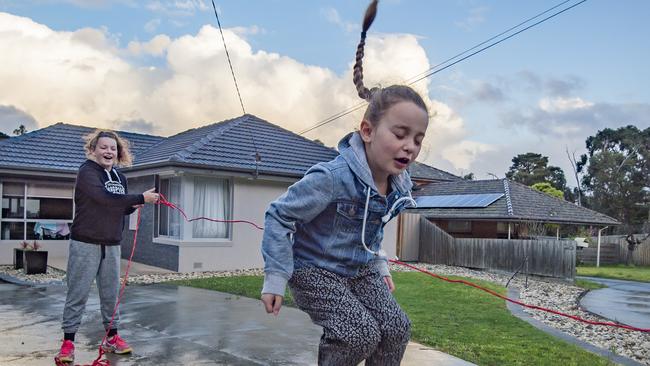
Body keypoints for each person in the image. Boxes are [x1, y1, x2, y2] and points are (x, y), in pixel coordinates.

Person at [260, 1, 429, 364]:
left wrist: (380, 266)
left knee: (397, 327)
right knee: (359, 333)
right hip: (314, 270)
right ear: (367, 131)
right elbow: (278, 215)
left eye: (417, 139)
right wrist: (275, 277)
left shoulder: (397, 183)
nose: (409, 146)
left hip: (359, 269)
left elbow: (371, 230)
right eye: (400, 134)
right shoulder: (332, 177)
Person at [56, 130, 159, 364]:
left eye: (113, 148)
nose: (108, 152)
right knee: (78, 293)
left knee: (111, 295)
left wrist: (134, 205)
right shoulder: (87, 172)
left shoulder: (120, 177)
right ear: (93, 150)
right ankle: (68, 342)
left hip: (112, 244)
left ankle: (112, 337)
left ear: (118, 152)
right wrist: (140, 198)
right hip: (85, 243)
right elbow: (103, 199)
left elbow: (119, 207)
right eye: (103, 147)